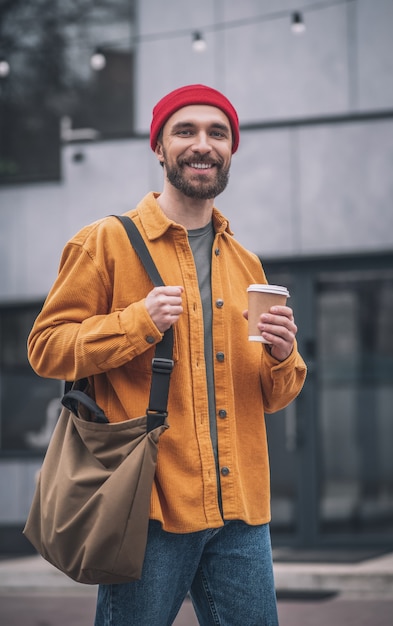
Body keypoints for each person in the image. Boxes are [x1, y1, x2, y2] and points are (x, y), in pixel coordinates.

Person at [28, 84, 307, 626]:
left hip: (240, 513)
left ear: (230, 150)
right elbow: (46, 348)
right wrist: (138, 323)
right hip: (149, 507)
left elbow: (275, 397)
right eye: (186, 131)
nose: (202, 144)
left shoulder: (247, 263)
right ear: (159, 147)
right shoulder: (105, 241)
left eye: (217, 133)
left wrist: (283, 354)